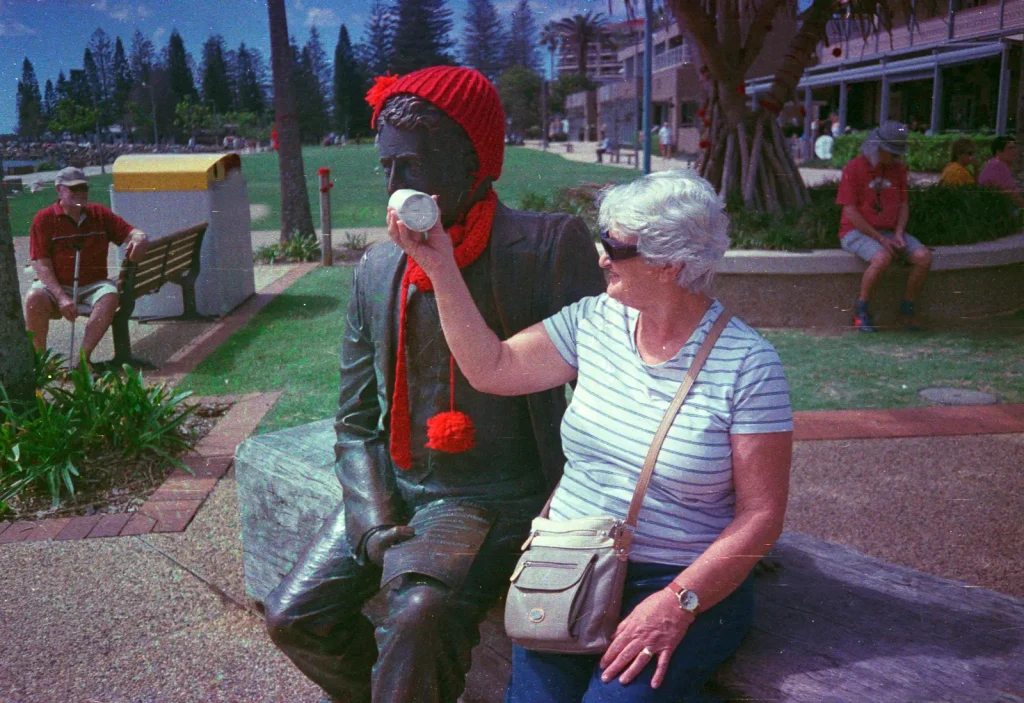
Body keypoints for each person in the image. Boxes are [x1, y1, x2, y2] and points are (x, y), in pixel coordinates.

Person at [262, 66, 605, 703]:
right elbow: (356, 418)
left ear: (473, 160)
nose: (394, 187)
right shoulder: (379, 266)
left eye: (410, 167)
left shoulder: (544, 247)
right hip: (398, 489)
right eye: (386, 168)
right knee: (293, 618)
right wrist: (370, 518)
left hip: (493, 497)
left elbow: (604, 392)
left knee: (419, 612)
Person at [387, 169, 793, 702]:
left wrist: (677, 603)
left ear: (670, 264)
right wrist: (438, 263)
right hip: (573, 564)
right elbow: (494, 367)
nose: (600, 256)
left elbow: (762, 515)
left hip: (681, 581)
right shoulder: (594, 321)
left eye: (614, 246)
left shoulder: (749, 365)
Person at [24, 167, 148, 365]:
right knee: (34, 298)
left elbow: (130, 232)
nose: (81, 193)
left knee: (109, 297)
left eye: (84, 188)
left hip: (94, 284)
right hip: (57, 285)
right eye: (74, 189)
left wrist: (139, 237)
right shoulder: (43, 219)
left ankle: (82, 360)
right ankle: (40, 363)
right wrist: (62, 298)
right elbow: (42, 264)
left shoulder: (99, 213)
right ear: (59, 190)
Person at [836, 121, 932, 332]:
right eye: (892, 152)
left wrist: (898, 233)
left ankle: (906, 307)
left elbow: (904, 205)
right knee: (882, 258)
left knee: (923, 257)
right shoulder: (853, 168)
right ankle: (861, 309)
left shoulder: (898, 169)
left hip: (889, 231)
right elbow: (850, 212)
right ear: (877, 148)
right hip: (856, 232)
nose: (896, 157)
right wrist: (880, 240)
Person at [977, 136, 1024, 207]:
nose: (1014, 150)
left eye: (1015, 147)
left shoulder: (998, 164)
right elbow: (1009, 194)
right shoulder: (996, 165)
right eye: (1010, 148)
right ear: (998, 151)